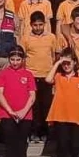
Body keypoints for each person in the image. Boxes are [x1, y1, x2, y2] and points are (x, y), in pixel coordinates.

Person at [0, 45, 35, 157]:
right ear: (9, 59)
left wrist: (23, 111)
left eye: (18, 59)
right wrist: (10, 111)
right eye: (12, 59)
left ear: (22, 59)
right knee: (10, 145)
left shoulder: (28, 74)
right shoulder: (3, 74)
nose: (15, 62)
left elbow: (32, 95)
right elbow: (0, 94)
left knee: (21, 145)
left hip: (25, 115)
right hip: (7, 114)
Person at [46, 50, 79, 157]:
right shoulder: (58, 76)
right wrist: (58, 62)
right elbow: (48, 79)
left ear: (75, 62)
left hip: (76, 117)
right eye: (64, 63)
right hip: (61, 116)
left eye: (69, 62)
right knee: (62, 146)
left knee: (76, 146)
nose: (66, 65)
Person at [19, 9, 56, 143]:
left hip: (46, 76)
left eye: (40, 25)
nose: (38, 27)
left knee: (46, 105)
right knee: (33, 106)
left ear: (45, 24)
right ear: (31, 25)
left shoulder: (51, 37)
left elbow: (53, 56)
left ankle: (45, 132)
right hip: (32, 77)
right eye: (35, 25)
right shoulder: (25, 38)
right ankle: (34, 131)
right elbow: (22, 58)